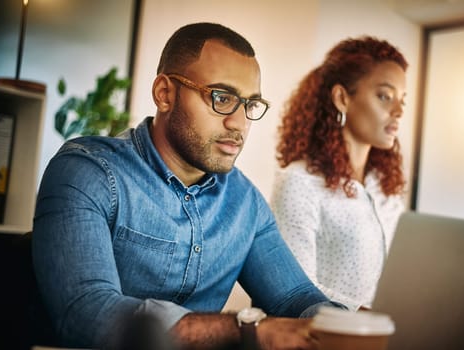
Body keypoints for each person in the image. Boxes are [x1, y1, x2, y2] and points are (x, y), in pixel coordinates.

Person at [32, 22, 343, 350]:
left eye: (249, 105)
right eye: (221, 98)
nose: (238, 123)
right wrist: (248, 330)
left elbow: (295, 297)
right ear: (164, 94)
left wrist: (348, 325)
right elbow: (84, 312)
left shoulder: (245, 202)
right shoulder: (88, 171)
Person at [270, 36, 408, 311]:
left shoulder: (383, 187)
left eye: (402, 100)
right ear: (342, 98)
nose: (399, 111)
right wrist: (367, 315)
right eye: (385, 96)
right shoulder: (299, 183)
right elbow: (293, 291)